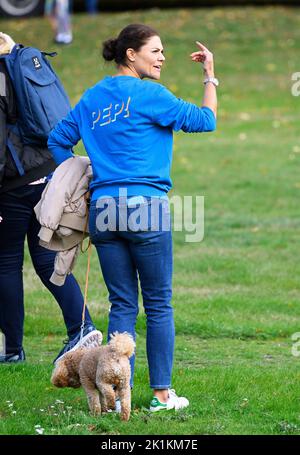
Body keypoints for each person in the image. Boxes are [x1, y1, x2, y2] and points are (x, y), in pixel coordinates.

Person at [48, 24, 217, 412]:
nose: (161, 58)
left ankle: (115, 395)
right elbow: (205, 120)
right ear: (130, 55)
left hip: (104, 210)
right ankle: (161, 395)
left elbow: (57, 139)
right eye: (155, 51)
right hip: (145, 206)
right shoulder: (150, 95)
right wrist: (210, 76)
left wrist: (83, 175)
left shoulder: (94, 96)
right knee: (158, 303)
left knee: (122, 302)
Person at [0, 32, 102, 364]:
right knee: (46, 259)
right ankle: (82, 326)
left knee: (6, 264)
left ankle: (13, 350)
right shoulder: (24, 62)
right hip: (49, 175)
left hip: (14, 182)